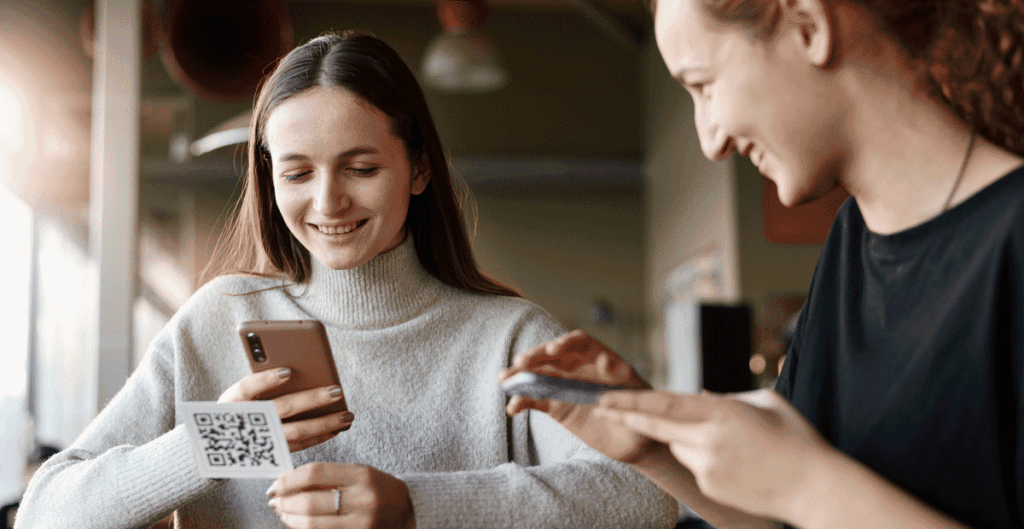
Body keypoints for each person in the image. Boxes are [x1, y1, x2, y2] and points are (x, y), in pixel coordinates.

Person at [15, 31, 677, 529]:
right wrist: (217, 442)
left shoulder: (506, 336)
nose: (328, 201)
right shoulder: (218, 318)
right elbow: (46, 511)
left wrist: (416, 505)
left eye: (360, 167)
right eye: (297, 173)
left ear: (417, 170)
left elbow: (651, 495)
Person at [501, 0, 1024, 528]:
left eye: (704, 86)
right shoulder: (851, 243)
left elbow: (808, 495)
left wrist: (804, 483)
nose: (710, 141)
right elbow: (786, 520)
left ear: (809, 26)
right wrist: (653, 448)